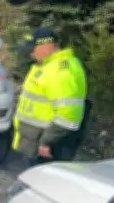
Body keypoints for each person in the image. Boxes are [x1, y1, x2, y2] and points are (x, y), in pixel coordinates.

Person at [12, 28, 88, 165]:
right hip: (32, 143)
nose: (30, 53)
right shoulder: (46, 66)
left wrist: (47, 142)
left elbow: (68, 114)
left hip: (44, 149)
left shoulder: (60, 70)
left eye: (32, 48)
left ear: (47, 45)